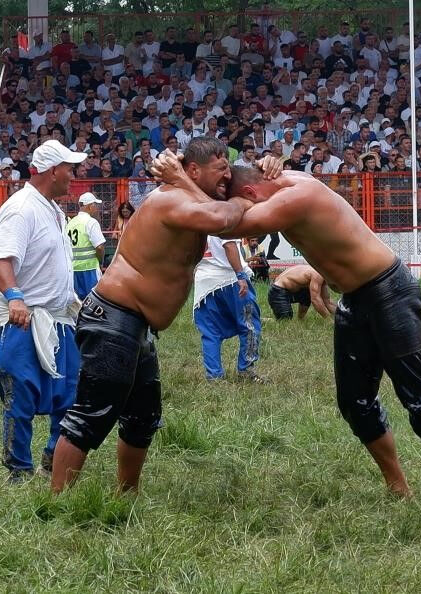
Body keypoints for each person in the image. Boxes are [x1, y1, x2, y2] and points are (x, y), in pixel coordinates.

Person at [151, 150, 421, 497]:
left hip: (390, 290)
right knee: (354, 403)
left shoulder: (297, 195)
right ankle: (398, 487)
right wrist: (192, 173)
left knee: (418, 396)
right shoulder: (279, 181)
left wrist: (180, 180)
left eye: (242, 201)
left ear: (251, 195)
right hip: (355, 299)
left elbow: (224, 222)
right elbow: (229, 193)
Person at [50, 138, 272, 495]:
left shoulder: (189, 195)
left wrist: (267, 168)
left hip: (136, 325)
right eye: (220, 169)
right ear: (194, 170)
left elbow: (249, 223)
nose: (227, 177)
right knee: (90, 416)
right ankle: (57, 503)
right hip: (113, 318)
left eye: (230, 172)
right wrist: (242, 197)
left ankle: (127, 494)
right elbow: (224, 220)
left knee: (142, 419)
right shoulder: (172, 199)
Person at [0, 139, 86, 483]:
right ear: (52, 170)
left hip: (59, 318)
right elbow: (0, 260)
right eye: (69, 168)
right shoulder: (21, 208)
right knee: (21, 392)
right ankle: (18, 469)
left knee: (71, 395)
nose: (74, 174)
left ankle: (53, 454)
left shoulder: (54, 210)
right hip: (23, 317)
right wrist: (15, 298)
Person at [193, 235, 263, 382]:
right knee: (249, 325)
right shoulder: (224, 214)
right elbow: (229, 245)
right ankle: (246, 370)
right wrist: (241, 275)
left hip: (204, 283)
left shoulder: (195, 217)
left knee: (210, 332)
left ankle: (214, 376)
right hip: (230, 279)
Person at [66, 192, 106, 299]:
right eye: (95, 205)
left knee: (77, 303)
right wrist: (100, 261)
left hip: (73, 269)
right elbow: (100, 247)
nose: (96, 208)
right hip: (90, 269)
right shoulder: (91, 222)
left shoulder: (70, 223)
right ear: (90, 206)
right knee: (94, 301)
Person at [266, 264, 333, 320]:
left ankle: (300, 319)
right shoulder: (318, 275)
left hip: (293, 290)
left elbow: (327, 302)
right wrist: (329, 320)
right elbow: (315, 300)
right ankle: (263, 320)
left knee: (308, 292)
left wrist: (341, 315)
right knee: (285, 320)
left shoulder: (322, 275)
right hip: (277, 291)